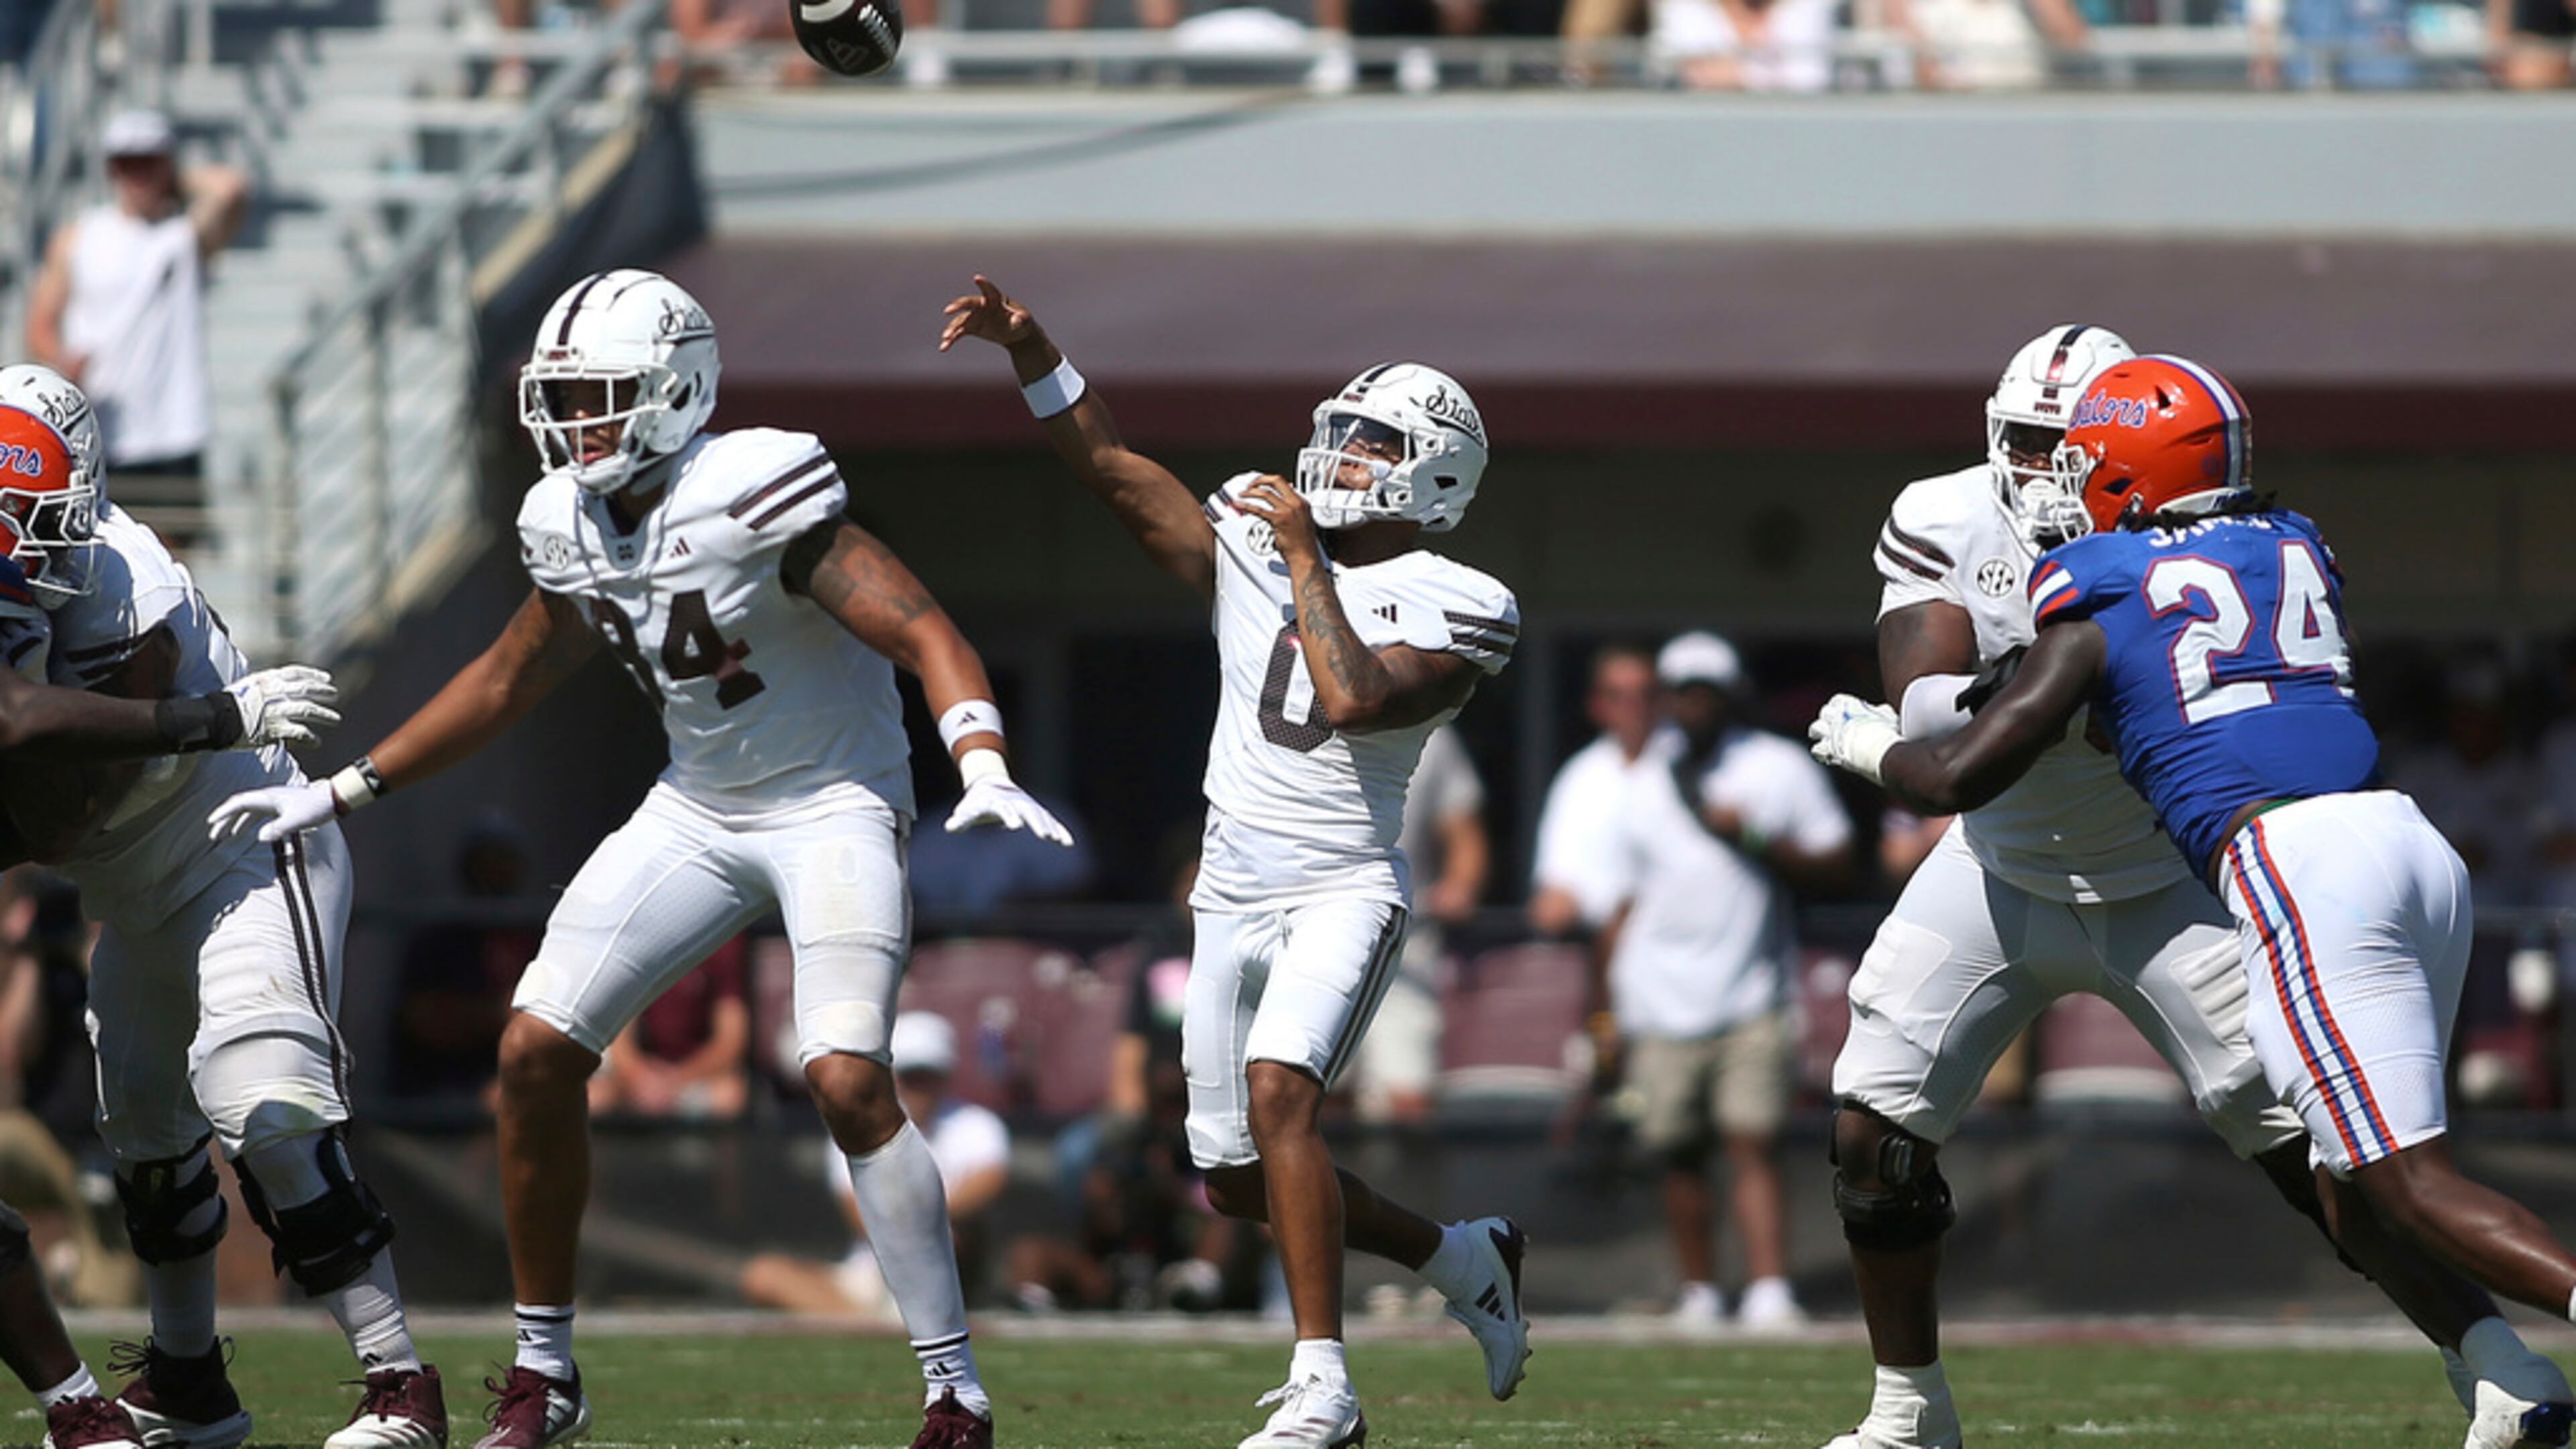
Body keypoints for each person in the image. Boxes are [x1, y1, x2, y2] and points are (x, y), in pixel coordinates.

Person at [213, 269, 1071, 1449]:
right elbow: (512, 672)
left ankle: (953, 1390)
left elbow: (923, 625)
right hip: (699, 809)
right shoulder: (565, 520)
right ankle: (544, 1368)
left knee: (846, 1076)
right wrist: (355, 785)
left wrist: (980, 760)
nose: (579, 425)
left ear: (679, 391)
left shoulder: (753, 490)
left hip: (831, 802)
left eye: (606, 396)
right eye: (566, 399)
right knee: (531, 1052)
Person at [1811, 354, 2576, 1449]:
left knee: (2347, 1165)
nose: (2052, 473)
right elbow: (1934, 692)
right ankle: (1907, 1412)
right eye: (2034, 445)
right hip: (2011, 868)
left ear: (2123, 465)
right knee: (1871, 1128)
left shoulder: (2102, 582)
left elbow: (1949, 754)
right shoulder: (2288, 540)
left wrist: (1883, 746)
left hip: (2188, 878)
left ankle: (2493, 1359)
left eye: (2078, 450)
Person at [945, 276, 1530, 1449]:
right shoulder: (1259, 547)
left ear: (1437, 474)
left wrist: (1304, 554)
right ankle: (1462, 1258)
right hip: (1227, 896)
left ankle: (1327, 1391)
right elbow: (1114, 471)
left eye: (1376, 444)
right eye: (1345, 432)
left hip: (1340, 889)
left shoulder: (1463, 600)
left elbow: (1353, 696)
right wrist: (1034, 350)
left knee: (1280, 1102)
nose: (1343, 454)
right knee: (1233, 1179)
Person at [0, 367, 439, 1449]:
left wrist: (209, 715)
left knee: (265, 1104)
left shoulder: (125, 590)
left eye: (28, 518)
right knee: (146, 1139)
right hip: (128, 887)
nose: (10, 544)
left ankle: (400, 1384)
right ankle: (191, 1384)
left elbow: (53, 800)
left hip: (238, 845)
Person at [1599, 631, 1852, 1330]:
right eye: (1684, 692)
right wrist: (1602, 1016)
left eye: (1707, 692)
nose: (1695, 705)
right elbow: (1618, 905)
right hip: (1657, 997)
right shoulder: (1638, 780)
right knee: (1677, 1151)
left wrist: (1756, 840)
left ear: (1729, 697)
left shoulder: (1776, 768)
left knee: (1753, 1141)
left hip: (1752, 991)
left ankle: (1770, 1290)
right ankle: (1700, 1292)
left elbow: (1837, 864)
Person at [23, 111, 248, 546]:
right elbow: (40, 324)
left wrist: (173, 179)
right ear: (111, 168)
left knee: (172, 569)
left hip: (172, 431)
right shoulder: (80, 237)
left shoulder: (182, 236)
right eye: (127, 163)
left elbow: (230, 188)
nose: (137, 175)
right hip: (102, 433)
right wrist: (62, 360)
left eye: (148, 162)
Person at [742, 1013, 1010, 1316]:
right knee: (764, 1275)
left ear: (945, 1075)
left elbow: (989, 1180)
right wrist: (921, 1229)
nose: (920, 1088)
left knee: (954, 1243)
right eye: (912, 1076)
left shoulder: (976, 1124)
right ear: (893, 1074)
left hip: (943, 1264)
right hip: (871, 1274)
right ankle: (882, 1322)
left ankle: (889, 1320)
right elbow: (859, 1214)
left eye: (928, 1076)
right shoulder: (857, 1126)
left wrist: (929, 1224)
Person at [1352, 724, 1488, 1125]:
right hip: (1308, 945)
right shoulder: (1296, 718)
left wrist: (1461, 886)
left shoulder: (1434, 732)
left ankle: (1407, 1192)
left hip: (1405, 954)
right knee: (1319, 1103)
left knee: (1411, 1106)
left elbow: (1464, 833)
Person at [1529, 643, 1658, 940]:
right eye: (1619, 696)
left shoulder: (1686, 767)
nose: (1634, 706)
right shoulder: (1580, 778)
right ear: (1598, 704)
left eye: (1645, 695)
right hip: (1603, 947)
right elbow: (1557, 882)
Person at [588, 938, 751, 1120]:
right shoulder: (639, 939)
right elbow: (621, 1035)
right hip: (641, 1074)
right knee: (594, 1097)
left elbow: (730, 1039)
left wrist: (677, 1080)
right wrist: (640, 1076)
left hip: (692, 1074)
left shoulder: (725, 940)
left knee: (729, 1096)